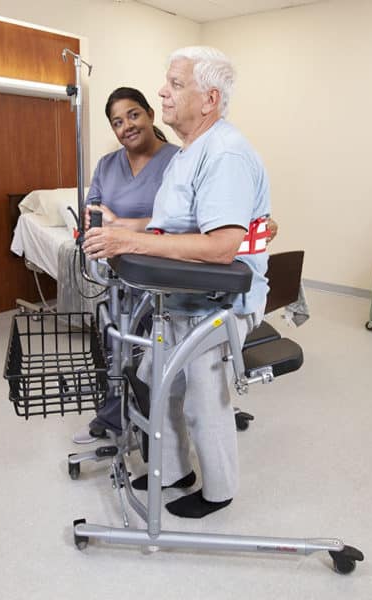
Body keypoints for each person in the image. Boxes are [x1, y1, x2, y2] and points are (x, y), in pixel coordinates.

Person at [83, 46, 270, 519]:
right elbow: (171, 226)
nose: (162, 92)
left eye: (176, 84)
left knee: (203, 398)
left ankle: (219, 490)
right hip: (184, 298)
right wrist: (122, 229)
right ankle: (173, 470)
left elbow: (221, 247)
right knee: (155, 380)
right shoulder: (189, 152)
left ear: (209, 99)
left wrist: (130, 243)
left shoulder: (224, 153)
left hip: (220, 305)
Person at [73, 87, 179, 443]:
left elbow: (181, 222)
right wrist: (95, 219)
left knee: (154, 351)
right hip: (120, 275)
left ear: (150, 114)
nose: (127, 126)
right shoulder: (107, 165)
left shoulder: (178, 160)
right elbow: (93, 210)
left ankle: (156, 424)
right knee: (113, 344)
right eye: (117, 122)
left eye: (133, 115)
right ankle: (113, 416)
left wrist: (125, 225)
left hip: (164, 276)